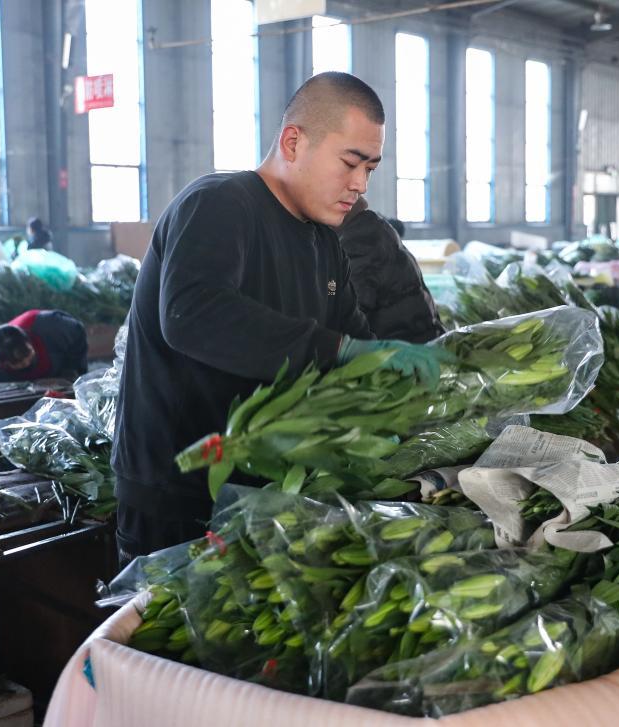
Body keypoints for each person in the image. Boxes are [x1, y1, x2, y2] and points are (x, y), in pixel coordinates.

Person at [112, 72, 451, 564]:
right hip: (177, 495)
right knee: (158, 635)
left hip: (260, 489)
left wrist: (392, 378)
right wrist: (340, 350)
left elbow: (352, 336)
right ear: (294, 141)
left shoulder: (323, 243)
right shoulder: (218, 204)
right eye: (349, 163)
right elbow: (192, 314)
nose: (359, 184)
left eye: (370, 169)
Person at [336, 197, 444, 343]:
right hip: (413, 343)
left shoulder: (360, 240)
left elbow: (346, 317)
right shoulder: (366, 228)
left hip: (405, 354)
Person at [0, 309, 88, 383]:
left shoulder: (53, 326)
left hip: (56, 356)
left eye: (28, 354)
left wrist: (73, 367)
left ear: (28, 341)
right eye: (18, 363)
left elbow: (78, 333)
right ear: (5, 363)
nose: (26, 362)